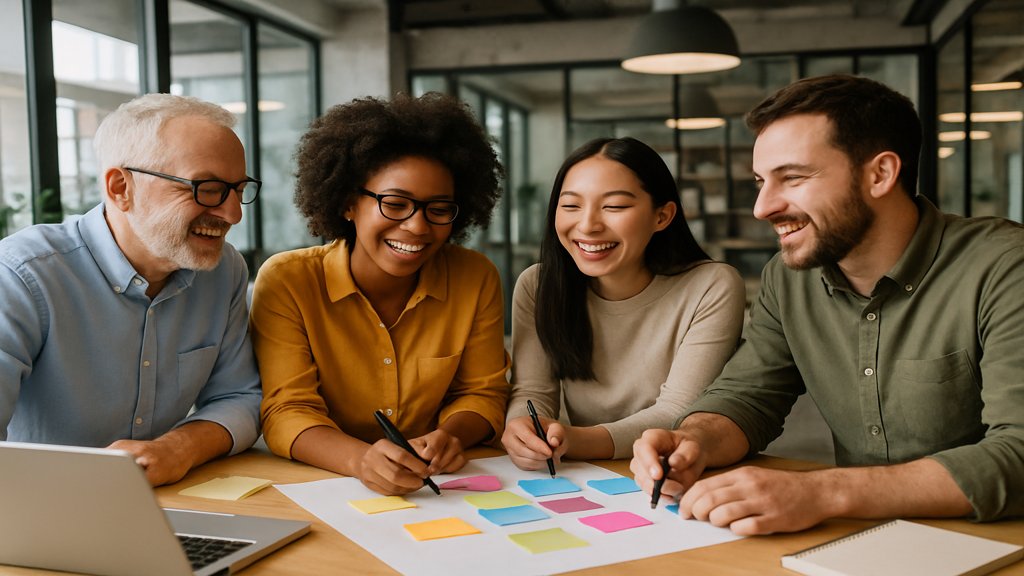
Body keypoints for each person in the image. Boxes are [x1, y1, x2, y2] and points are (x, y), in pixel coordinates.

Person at [631, 74, 1024, 535]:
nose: (762, 207)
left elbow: (1019, 451)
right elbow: (749, 396)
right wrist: (692, 440)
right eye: (761, 181)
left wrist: (824, 491)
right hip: (867, 544)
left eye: (792, 178)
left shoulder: (1004, 265)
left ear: (880, 174)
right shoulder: (788, 278)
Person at [251, 92, 510, 496]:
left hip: (439, 487)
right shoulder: (289, 282)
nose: (418, 227)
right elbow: (287, 410)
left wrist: (452, 436)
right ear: (349, 203)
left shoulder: (474, 277)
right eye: (395, 204)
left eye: (438, 209)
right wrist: (359, 460)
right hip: (325, 486)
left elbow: (483, 391)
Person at [0, 93, 263, 486]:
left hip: (169, 501)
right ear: (121, 187)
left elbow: (241, 398)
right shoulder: (21, 275)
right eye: (207, 188)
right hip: (43, 515)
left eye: (238, 189)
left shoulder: (223, 271)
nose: (233, 213)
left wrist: (178, 448)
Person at [502, 137, 745, 469]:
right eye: (571, 205)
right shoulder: (538, 285)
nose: (587, 225)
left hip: (678, 469)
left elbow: (678, 410)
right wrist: (524, 430)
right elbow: (533, 392)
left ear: (662, 216)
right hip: (587, 473)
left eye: (614, 207)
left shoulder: (711, 286)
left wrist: (574, 440)